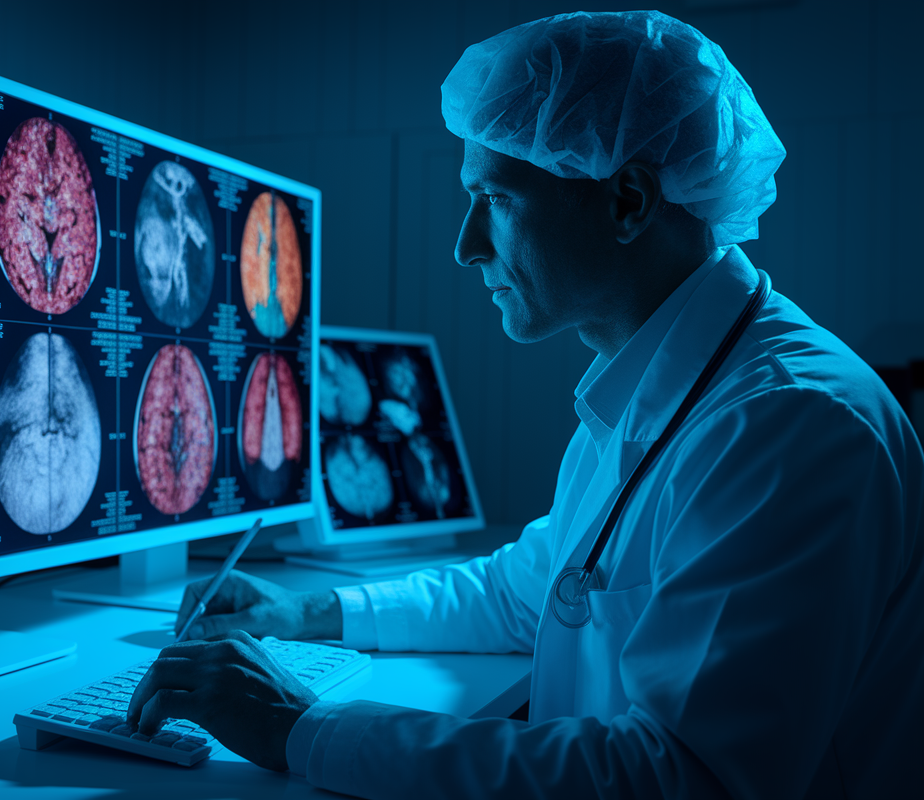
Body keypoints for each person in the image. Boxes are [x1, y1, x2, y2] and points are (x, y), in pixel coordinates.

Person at [126, 10, 924, 798]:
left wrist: (302, 728)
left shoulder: (791, 425)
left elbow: (685, 777)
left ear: (629, 203)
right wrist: (305, 611)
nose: (466, 243)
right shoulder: (654, 385)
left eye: (496, 199)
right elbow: (530, 590)